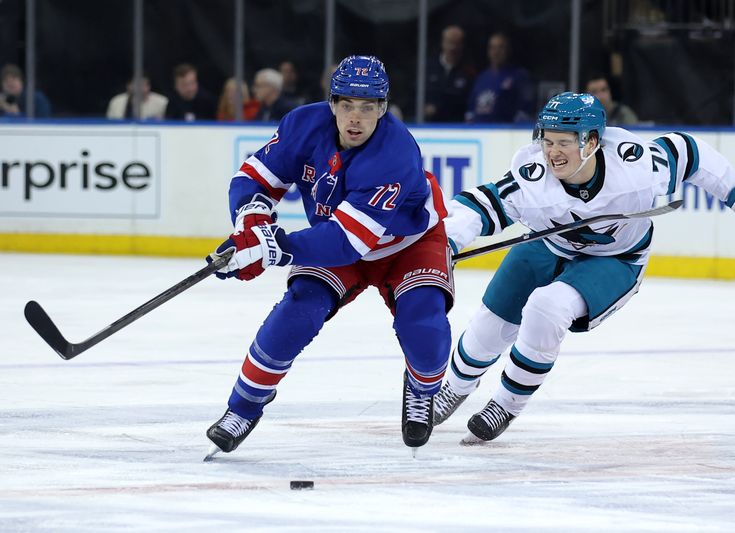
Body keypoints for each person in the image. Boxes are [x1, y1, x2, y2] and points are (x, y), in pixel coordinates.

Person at [433, 92, 735, 444]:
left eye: (565, 143)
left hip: (615, 259)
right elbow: (481, 205)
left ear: (593, 142)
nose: (553, 152)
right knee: (487, 329)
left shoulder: (636, 169)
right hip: (547, 243)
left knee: (548, 307)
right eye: (548, 140)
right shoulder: (533, 179)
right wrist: (443, 243)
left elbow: (691, 154)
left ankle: (506, 404)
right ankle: (455, 387)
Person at [204, 55, 454, 457]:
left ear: (383, 109)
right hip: (335, 238)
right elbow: (254, 179)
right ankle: (243, 408)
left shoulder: (395, 152)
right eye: (347, 105)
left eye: (368, 107)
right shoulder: (304, 124)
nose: (356, 117)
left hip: (406, 244)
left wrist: (272, 247)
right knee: (297, 311)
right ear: (332, 103)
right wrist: (250, 225)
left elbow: (348, 241)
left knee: (423, 323)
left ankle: (422, 388)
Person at [466, 32, 535, 123]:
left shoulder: (519, 76)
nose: (496, 52)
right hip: (480, 131)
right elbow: (471, 110)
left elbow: (525, 110)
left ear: (508, 50)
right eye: (493, 48)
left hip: (504, 132)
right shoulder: (481, 77)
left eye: (501, 47)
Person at [424, 25, 476, 123]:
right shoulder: (428, 68)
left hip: (456, 126)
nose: (453, 47)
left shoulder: (468, 72)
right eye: (450, 42)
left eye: (456, 43)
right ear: (443, 43)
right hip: (428, 125)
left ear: (462, 45)